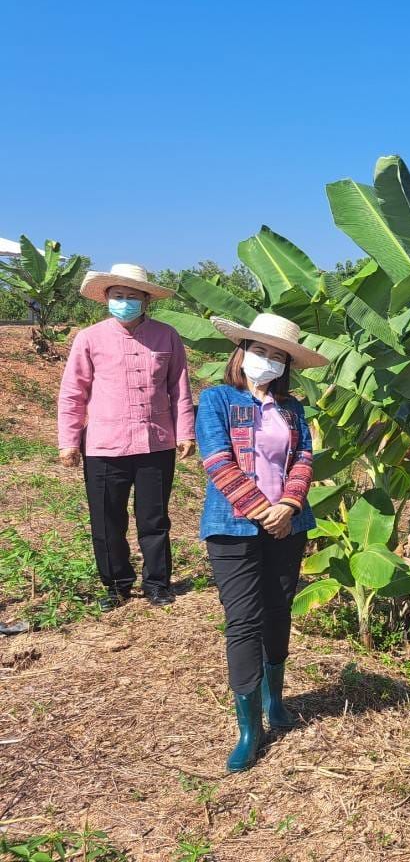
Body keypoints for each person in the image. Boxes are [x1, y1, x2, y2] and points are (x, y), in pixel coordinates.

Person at [195, 312, 328, 773]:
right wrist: (260, 509)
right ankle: (249, 728)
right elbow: (216, 458)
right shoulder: (216, 400)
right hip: (232, 526)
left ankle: (276, 702)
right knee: (244, 621)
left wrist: (288, 507)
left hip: (287, 525)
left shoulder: (292, 408)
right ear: (242, 352)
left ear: (286, 365)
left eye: (277, 356)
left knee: (278, 611)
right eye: (260, 351)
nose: (267, 361)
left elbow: (305, 456)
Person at [58, 264, 196, 609]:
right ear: (106, 298)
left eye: (132, 296)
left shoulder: (167, 336)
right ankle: (116, 584)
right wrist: (69, 440)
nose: (124, 302)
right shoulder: (89, 338)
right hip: (105, 444)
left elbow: (180, 387)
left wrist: (186, 432)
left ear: (146, 300)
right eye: (118, 296)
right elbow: (73, 392)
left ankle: (157, 583)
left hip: (156, 441)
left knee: (155, 518)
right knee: (107, 520)